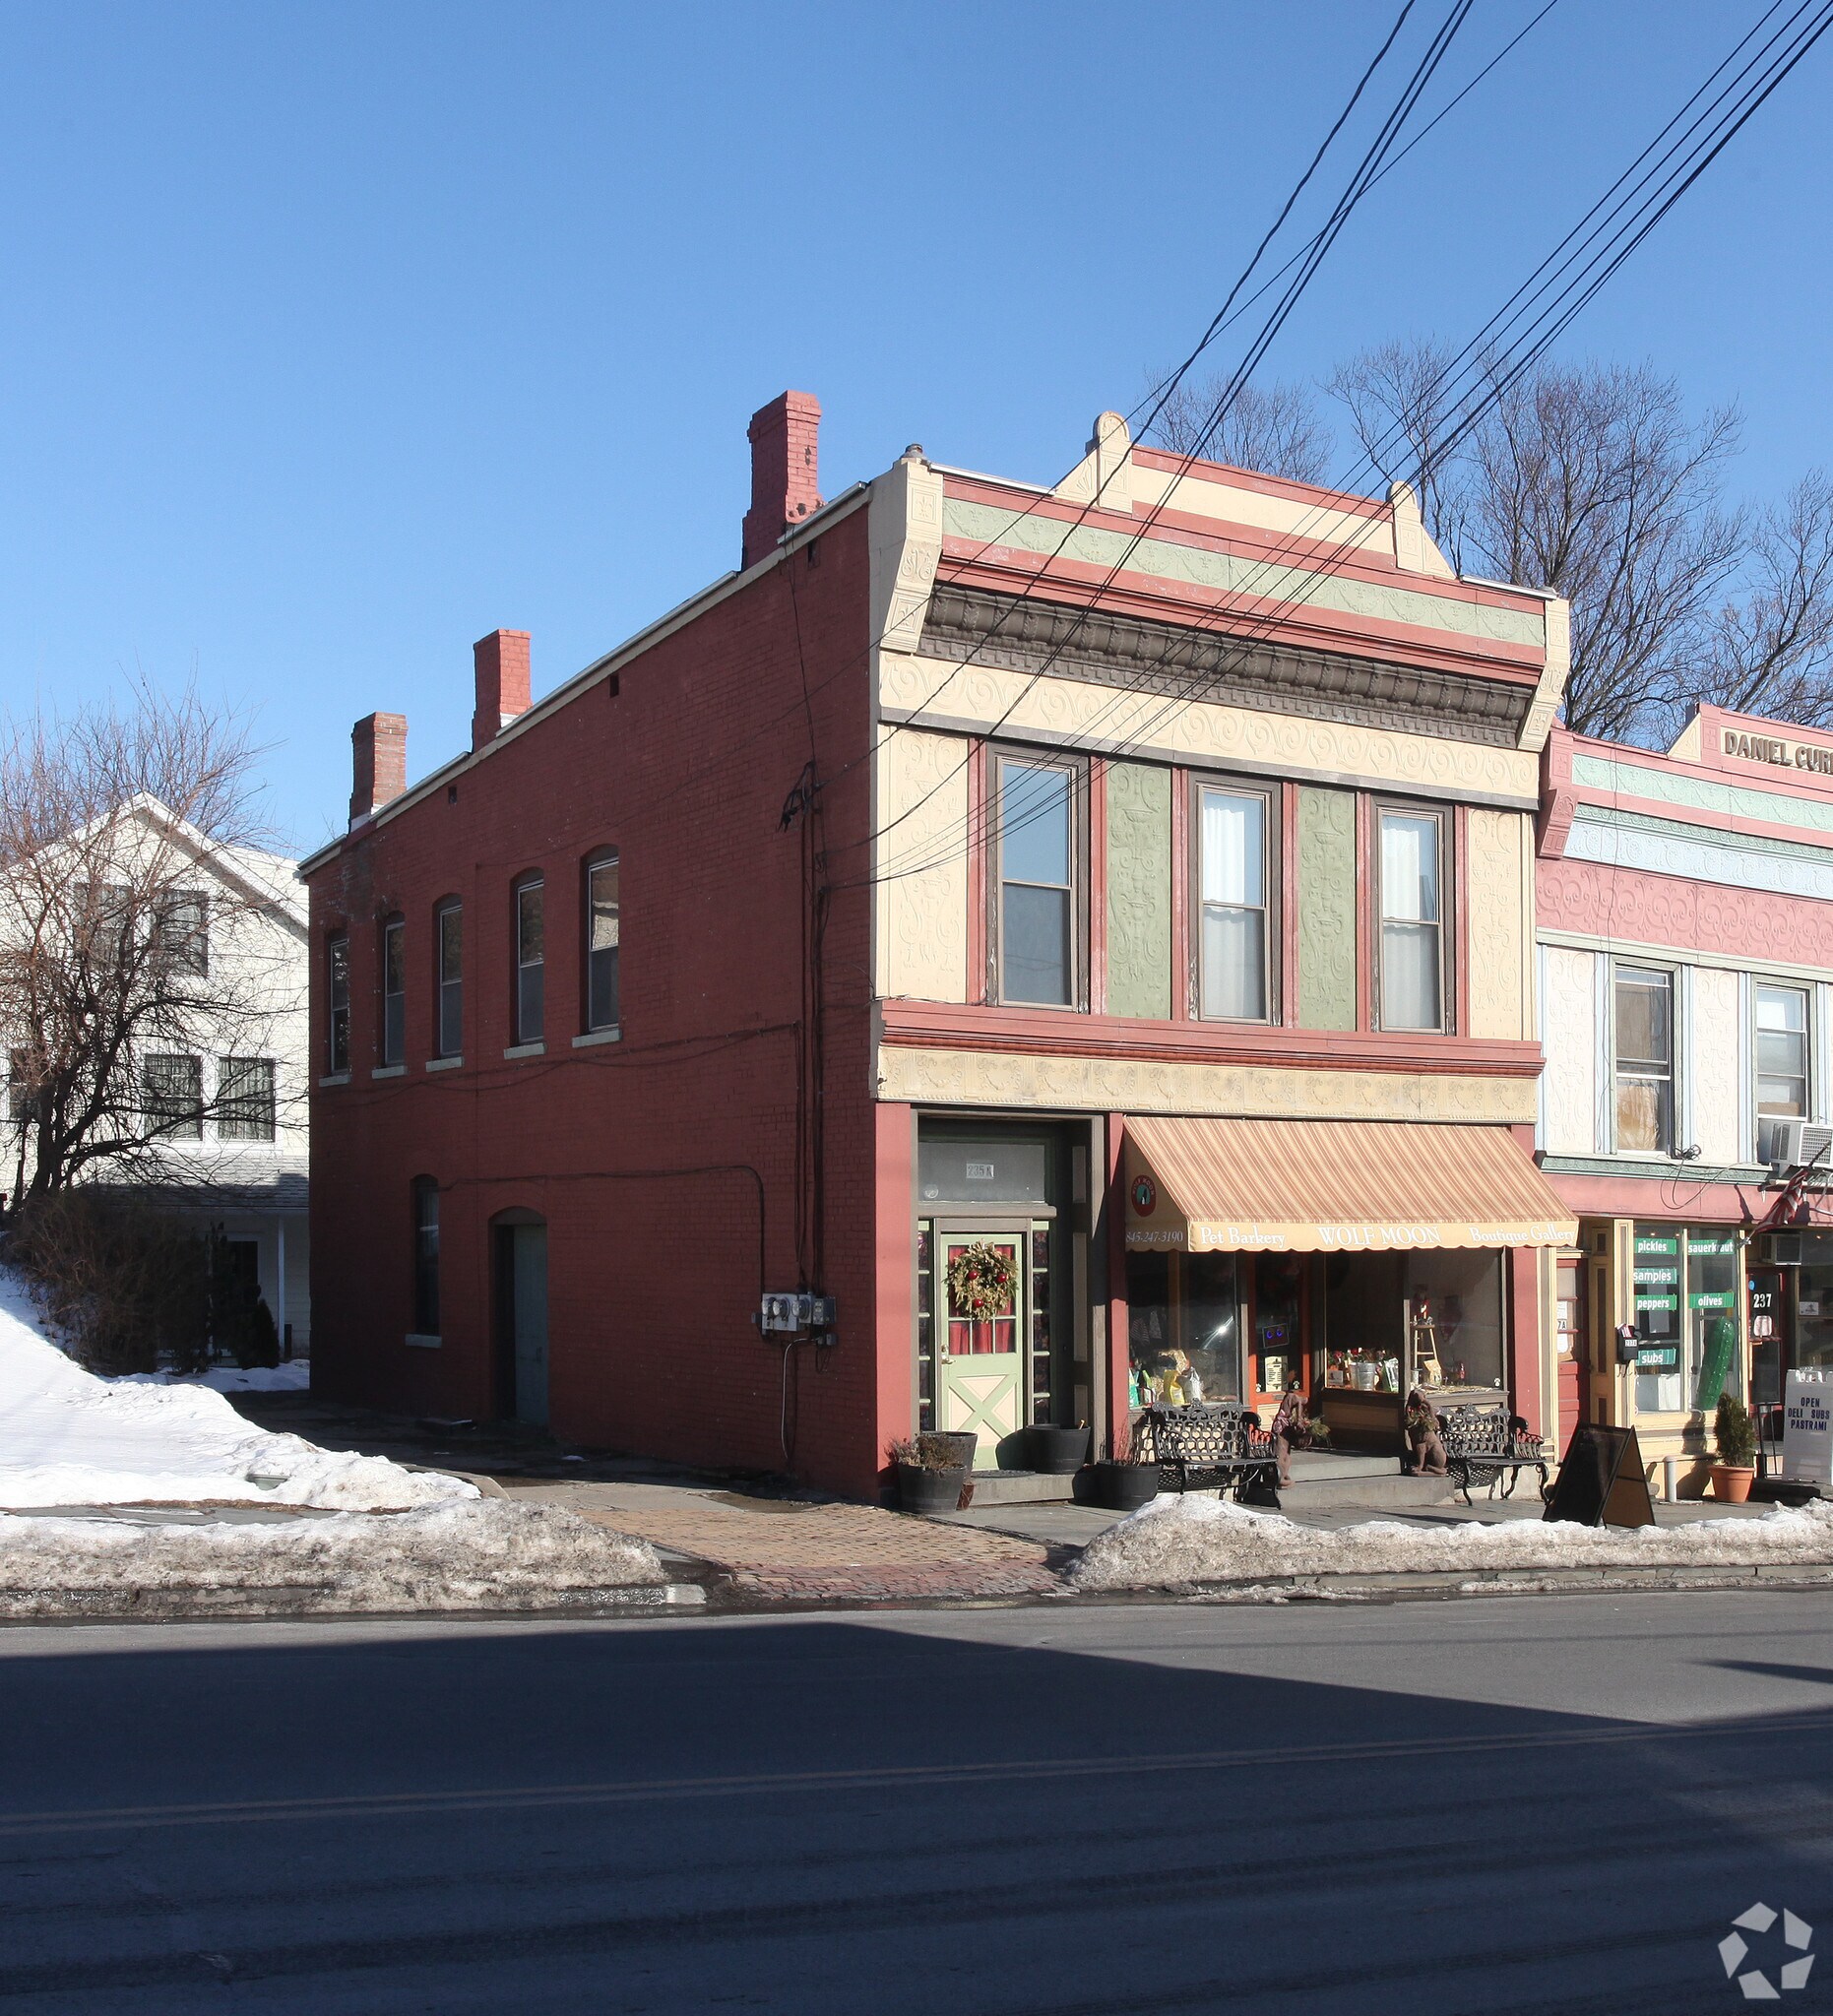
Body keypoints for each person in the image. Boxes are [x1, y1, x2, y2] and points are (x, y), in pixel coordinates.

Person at [1269, 1379, 1308, 1487]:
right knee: (1282, 1451)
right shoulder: (1294, 1398)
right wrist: (1300, 1422)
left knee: (1283, 1451)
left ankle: (1282, 1475)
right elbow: (1299, 1415)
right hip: (1283, 1426)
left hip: (1283, 1425)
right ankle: (1281, 1476)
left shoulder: (1291, 1398)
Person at [1405, 1386, 1448, 1477]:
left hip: (1437, 1459)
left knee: (1421, 1444)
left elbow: (1421, 1446)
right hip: (1429, 1458)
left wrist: (1419, 1466)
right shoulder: (1415, 1418)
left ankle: (1424, 1467)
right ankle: (1427, 1468)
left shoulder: (1425, 1425)